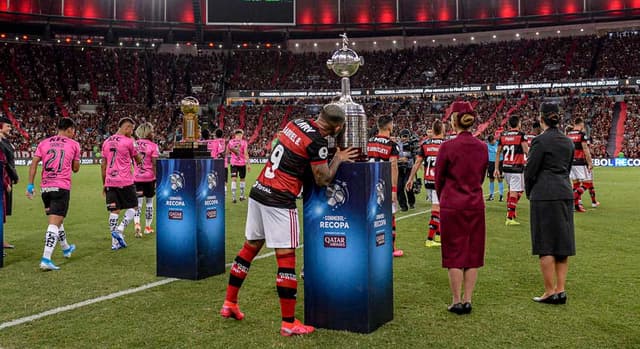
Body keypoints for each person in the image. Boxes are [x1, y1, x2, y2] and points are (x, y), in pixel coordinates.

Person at [220, 104, 358, 336]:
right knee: (286, 260)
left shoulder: (295, 123)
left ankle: (229, 303)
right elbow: (322, 178)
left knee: (249, 249)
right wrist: (339, 159)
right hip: (280, 200)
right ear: (337, 127)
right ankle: (288, 322)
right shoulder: (317, 141)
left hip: (260, 190)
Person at [435, 101, 488, 315]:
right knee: (473, 252)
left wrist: (445, 197)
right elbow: (481, 176)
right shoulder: (482, 147)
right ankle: (468, 299)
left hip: (452, 204)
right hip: (475, 204)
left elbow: (438, 178)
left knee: (454, 252)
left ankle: (456, 301)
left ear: (454, 121)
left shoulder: (447, 147)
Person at [524, 103, 575, 305]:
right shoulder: (568, 141)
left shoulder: (539, 141)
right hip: (564, 192)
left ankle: (549, 291)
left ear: (541, 118)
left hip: (544, 194)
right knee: (562, 243)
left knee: (545, 245)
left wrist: (530, 192)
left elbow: (531, 170)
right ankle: (561, 290)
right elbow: (568, 168)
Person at [26, 118, 81, 270]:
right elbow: (75, 169)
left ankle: (65, 248)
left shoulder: (44, 143)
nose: (74, 134)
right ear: (69, 129)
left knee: (56, 219)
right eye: (73, 131)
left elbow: (34, 163)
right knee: (54, 223)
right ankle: (46, 258)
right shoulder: (74, 144)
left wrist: (30, 184)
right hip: (61, 187)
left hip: (46, 188)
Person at [101, 118, 143, 250]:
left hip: (110, 181)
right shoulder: (129, 141)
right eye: (132, 129)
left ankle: (114, 243)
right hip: (125, 180)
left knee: (114, 211)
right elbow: (137, 160)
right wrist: (140, 157)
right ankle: (120, 229)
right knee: (134, 207)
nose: (132, 132)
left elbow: (103, 165)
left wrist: (104, 184)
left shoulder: (106, 141)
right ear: (127, 127)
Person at [367, 115, 403, 257]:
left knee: (372, 215)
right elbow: (394, 167)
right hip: (384, 185)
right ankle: (391, 248)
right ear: (389, 126)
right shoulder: (391, 145)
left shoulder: (369, 142)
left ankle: (371, 247)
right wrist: (394, 189)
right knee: (390, 216)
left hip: (369, 184)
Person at [406, 119, 445, 248]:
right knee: (437, 208)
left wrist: (411, 178)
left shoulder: (425, 144)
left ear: (433, 131)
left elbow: (417, 163)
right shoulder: (446, 145)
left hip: (428, 181)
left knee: (439, 208)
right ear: (443, 130)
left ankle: (439, 235)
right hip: (440, 182)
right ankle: (429, 238)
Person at [495, 115, 529, 225]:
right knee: (516, 190)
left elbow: (498, 152)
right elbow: (526, 151)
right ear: (518, 123)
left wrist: (496, 168)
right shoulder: (521, 135)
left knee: (514, 189)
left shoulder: (503, 135)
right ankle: (510, 217)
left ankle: (511, 209)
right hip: (517, 167)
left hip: (506, 167)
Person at [133, 123, 159, 238]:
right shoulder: (153, 146)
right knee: (149, 203)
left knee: (138, 204)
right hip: (149, 178)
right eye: (152, 131)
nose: (153, 133)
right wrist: (157, 177)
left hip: (137, 178)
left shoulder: (134, 144)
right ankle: (148, 227)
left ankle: (137, 224)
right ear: (147, 132)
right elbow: (154, 164)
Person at [567, 118, 598, 212]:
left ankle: (576, 206)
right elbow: (585, 149)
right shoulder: (581, 135)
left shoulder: (568, 135)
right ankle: (572, 199)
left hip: (571, 162)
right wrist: (590, 162)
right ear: (581, 124)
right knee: (587, 183)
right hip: (580, 162)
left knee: (576, 184)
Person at [0, 117, 18, 250]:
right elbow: (4, 164)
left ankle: (2, 240)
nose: (10, 128)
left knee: (3, 211)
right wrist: (7, 180)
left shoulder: (5, 141)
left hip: (7, 178)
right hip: (3, 179)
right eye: (8, 126)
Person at [227, 129, 250, 203]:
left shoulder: (231, 142)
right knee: (236, 179)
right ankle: (237, 197)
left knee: (239, 179)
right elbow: (227, 152)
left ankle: (239, 196)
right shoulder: (243, 142)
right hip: (237, 164)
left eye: (241, 135)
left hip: (240, 163)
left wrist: (248, 164)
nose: (240, 136)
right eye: (239, 135)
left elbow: (246, 153)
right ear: (236, 135)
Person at [397, 129, 416, 211]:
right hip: (399, 168)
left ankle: (411, 202)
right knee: (399, 187)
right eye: (403, 136)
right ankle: (403, 206)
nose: (404, 138)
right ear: (400, 136)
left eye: (406, 136)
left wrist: (407, 159)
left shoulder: (412, 144)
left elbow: (414, 157)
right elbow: (393, 157)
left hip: (408, 168)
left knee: (407, 185)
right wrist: (400, 159)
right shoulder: (396, 145)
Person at [486, 135, 504, 202]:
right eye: (490, 142)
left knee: (499, 178)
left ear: (494, 139)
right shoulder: (487, 145)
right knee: (491, 179)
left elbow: (502, 153)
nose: (491, 143)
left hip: (499, 163)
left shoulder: (499, 144)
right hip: (490, 163)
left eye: (492, 141)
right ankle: (491, 195)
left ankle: (501, 195)